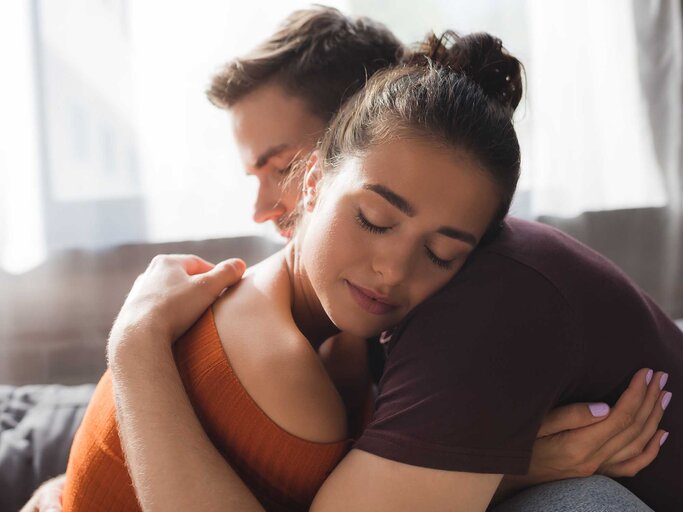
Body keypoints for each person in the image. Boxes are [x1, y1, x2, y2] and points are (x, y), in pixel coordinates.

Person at [21, 8, 670, 512]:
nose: (393, 270)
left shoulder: (427, 322)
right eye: (373, 220)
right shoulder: (286, 347)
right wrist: (132, 348)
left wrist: (490, 467)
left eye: (442, 253)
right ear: (319, 176)